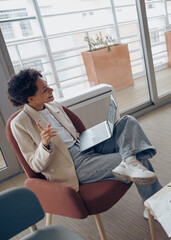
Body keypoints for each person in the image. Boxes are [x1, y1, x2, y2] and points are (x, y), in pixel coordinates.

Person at [7, 68, 162, 210]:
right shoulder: (20, 123)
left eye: (48, 85)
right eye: (44, 89)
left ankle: (129, 162)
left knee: (126, 121)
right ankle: (153, 204)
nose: (51, 90)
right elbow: (35, 165)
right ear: (30, 99)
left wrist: (95, 135)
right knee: (138, 157)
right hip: (73, 165)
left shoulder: (53, 106)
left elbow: (74, 134)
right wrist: (45, 145)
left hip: (85, 146)